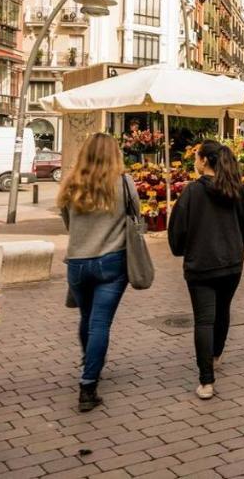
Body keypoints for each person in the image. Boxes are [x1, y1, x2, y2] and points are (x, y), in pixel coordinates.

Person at [168, 140, 244, 400]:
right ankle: (215, 354)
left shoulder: (192, 192)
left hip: (201, 265)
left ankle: (206, 380)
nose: (194, 161)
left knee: (204, 319)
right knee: (223, 310)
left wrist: (187, 249)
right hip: (231, 263)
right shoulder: (238, 189)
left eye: (196, 156)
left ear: (204, 160)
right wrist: (235, 246)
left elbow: (177, 232)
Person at [59, 132, 140, 413]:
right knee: (100, 323)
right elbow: (137, 215)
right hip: (112, 261)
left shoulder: (72, 183)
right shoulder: (124, 182)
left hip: (78, 262)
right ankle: (88, 385)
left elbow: (66, 220)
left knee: (87, 318)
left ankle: (88, 363)